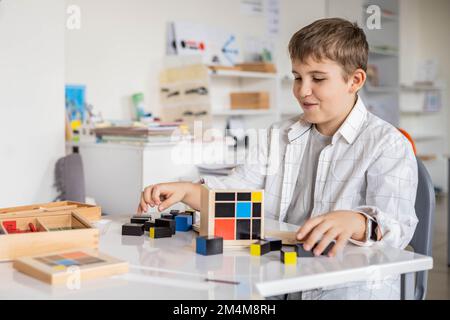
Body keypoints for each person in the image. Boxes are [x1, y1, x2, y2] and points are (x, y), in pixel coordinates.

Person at [137, 18, 418, 299]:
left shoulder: (388, 144)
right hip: (279, 278)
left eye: (318, 79)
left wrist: (356, 221)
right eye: (297, 77)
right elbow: (238, 193)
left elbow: (398, 226)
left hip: (348, 287)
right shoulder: (278, 135)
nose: (302, 90)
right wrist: (188, 190)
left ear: (354, 80)